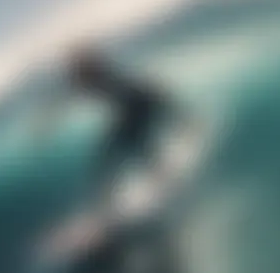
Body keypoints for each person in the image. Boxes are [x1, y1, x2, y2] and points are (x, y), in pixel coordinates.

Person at [64, 43, 192, 211]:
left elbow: (147, 91)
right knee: (108, 153)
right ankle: (106, 202)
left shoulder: (108, 77)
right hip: (130, 112)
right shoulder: (95, 81)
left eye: (80, 74)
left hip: (142, 108)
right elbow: (69, 95)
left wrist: (179, 114)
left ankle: (167, 180)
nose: (79, 82)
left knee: (138, 148)